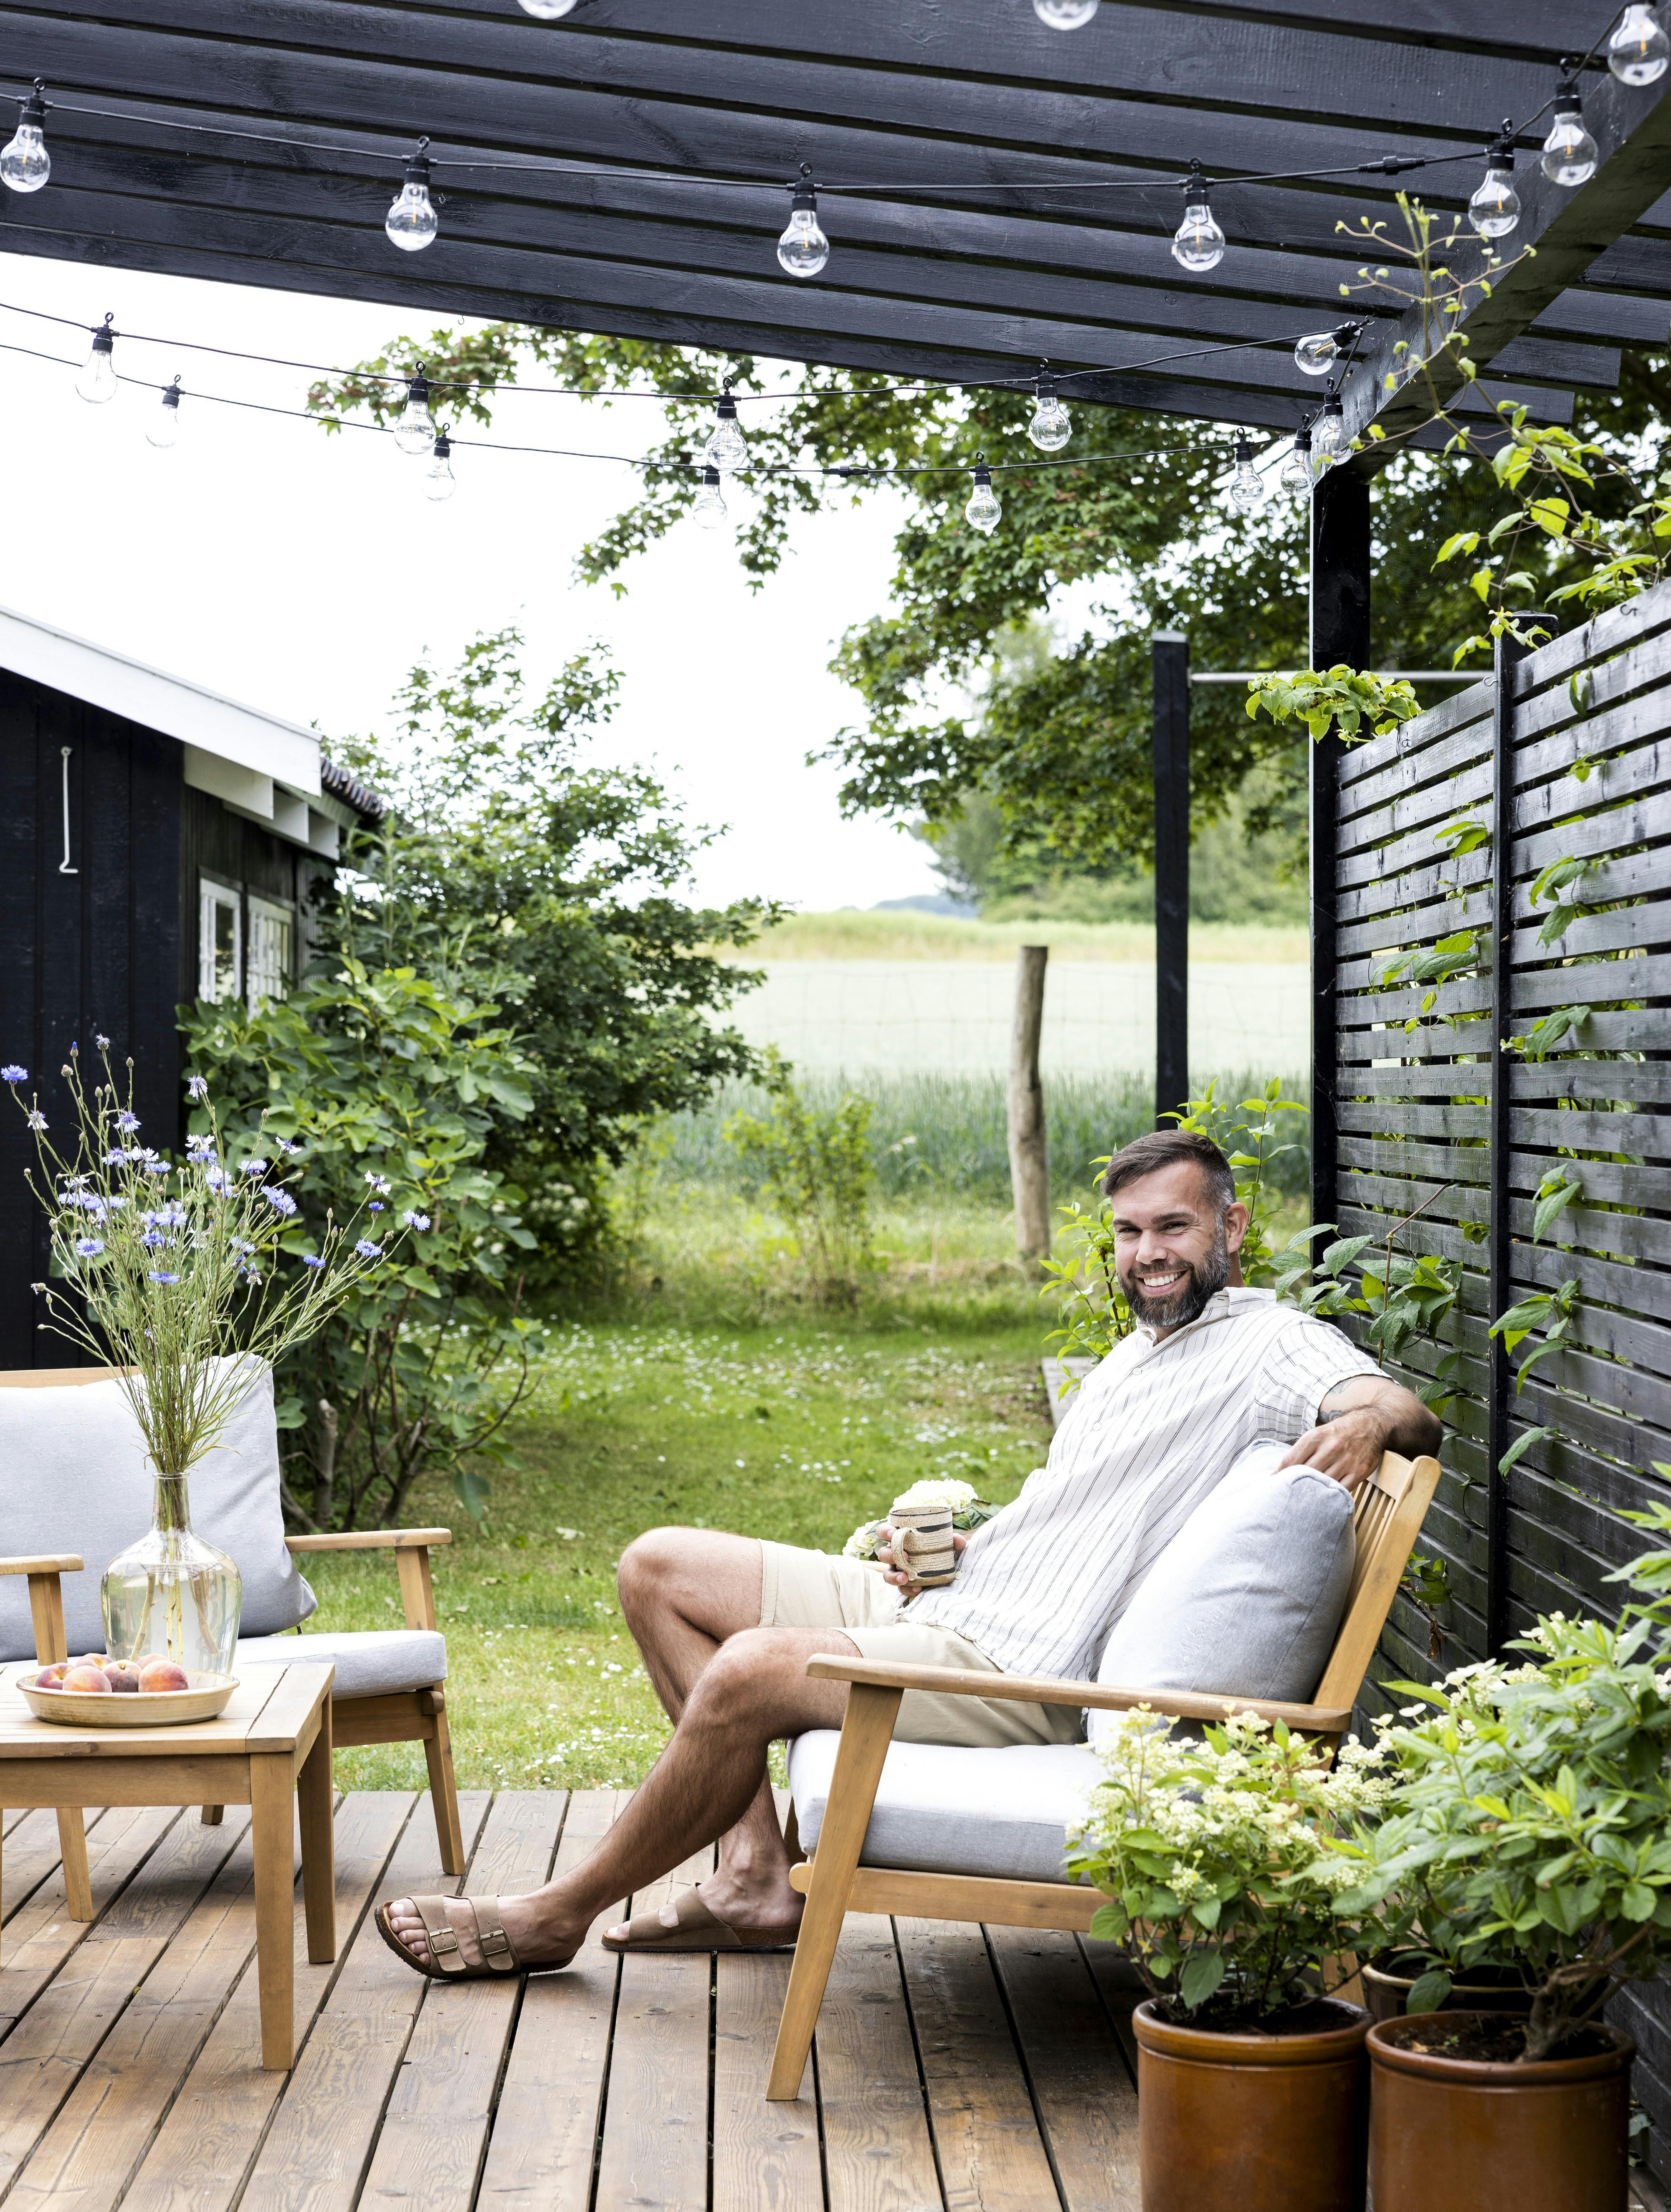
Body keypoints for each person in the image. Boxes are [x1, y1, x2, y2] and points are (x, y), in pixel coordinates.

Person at [374, 1128, 1441, 1980]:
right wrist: (966, 1547)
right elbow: (1093, 1517)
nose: (1149, 1253)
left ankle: (557, 1914)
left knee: (750, 1671)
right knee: (659, 1568)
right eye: (1129, 1232)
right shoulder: (1140, 1349)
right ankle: (754, 1876)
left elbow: (1399, 1408)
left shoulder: (1266, 1343)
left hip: (1024, 1670)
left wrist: (1362, 1427)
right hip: (960, 1602)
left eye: (1174, 1227)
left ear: (1232, 1226)